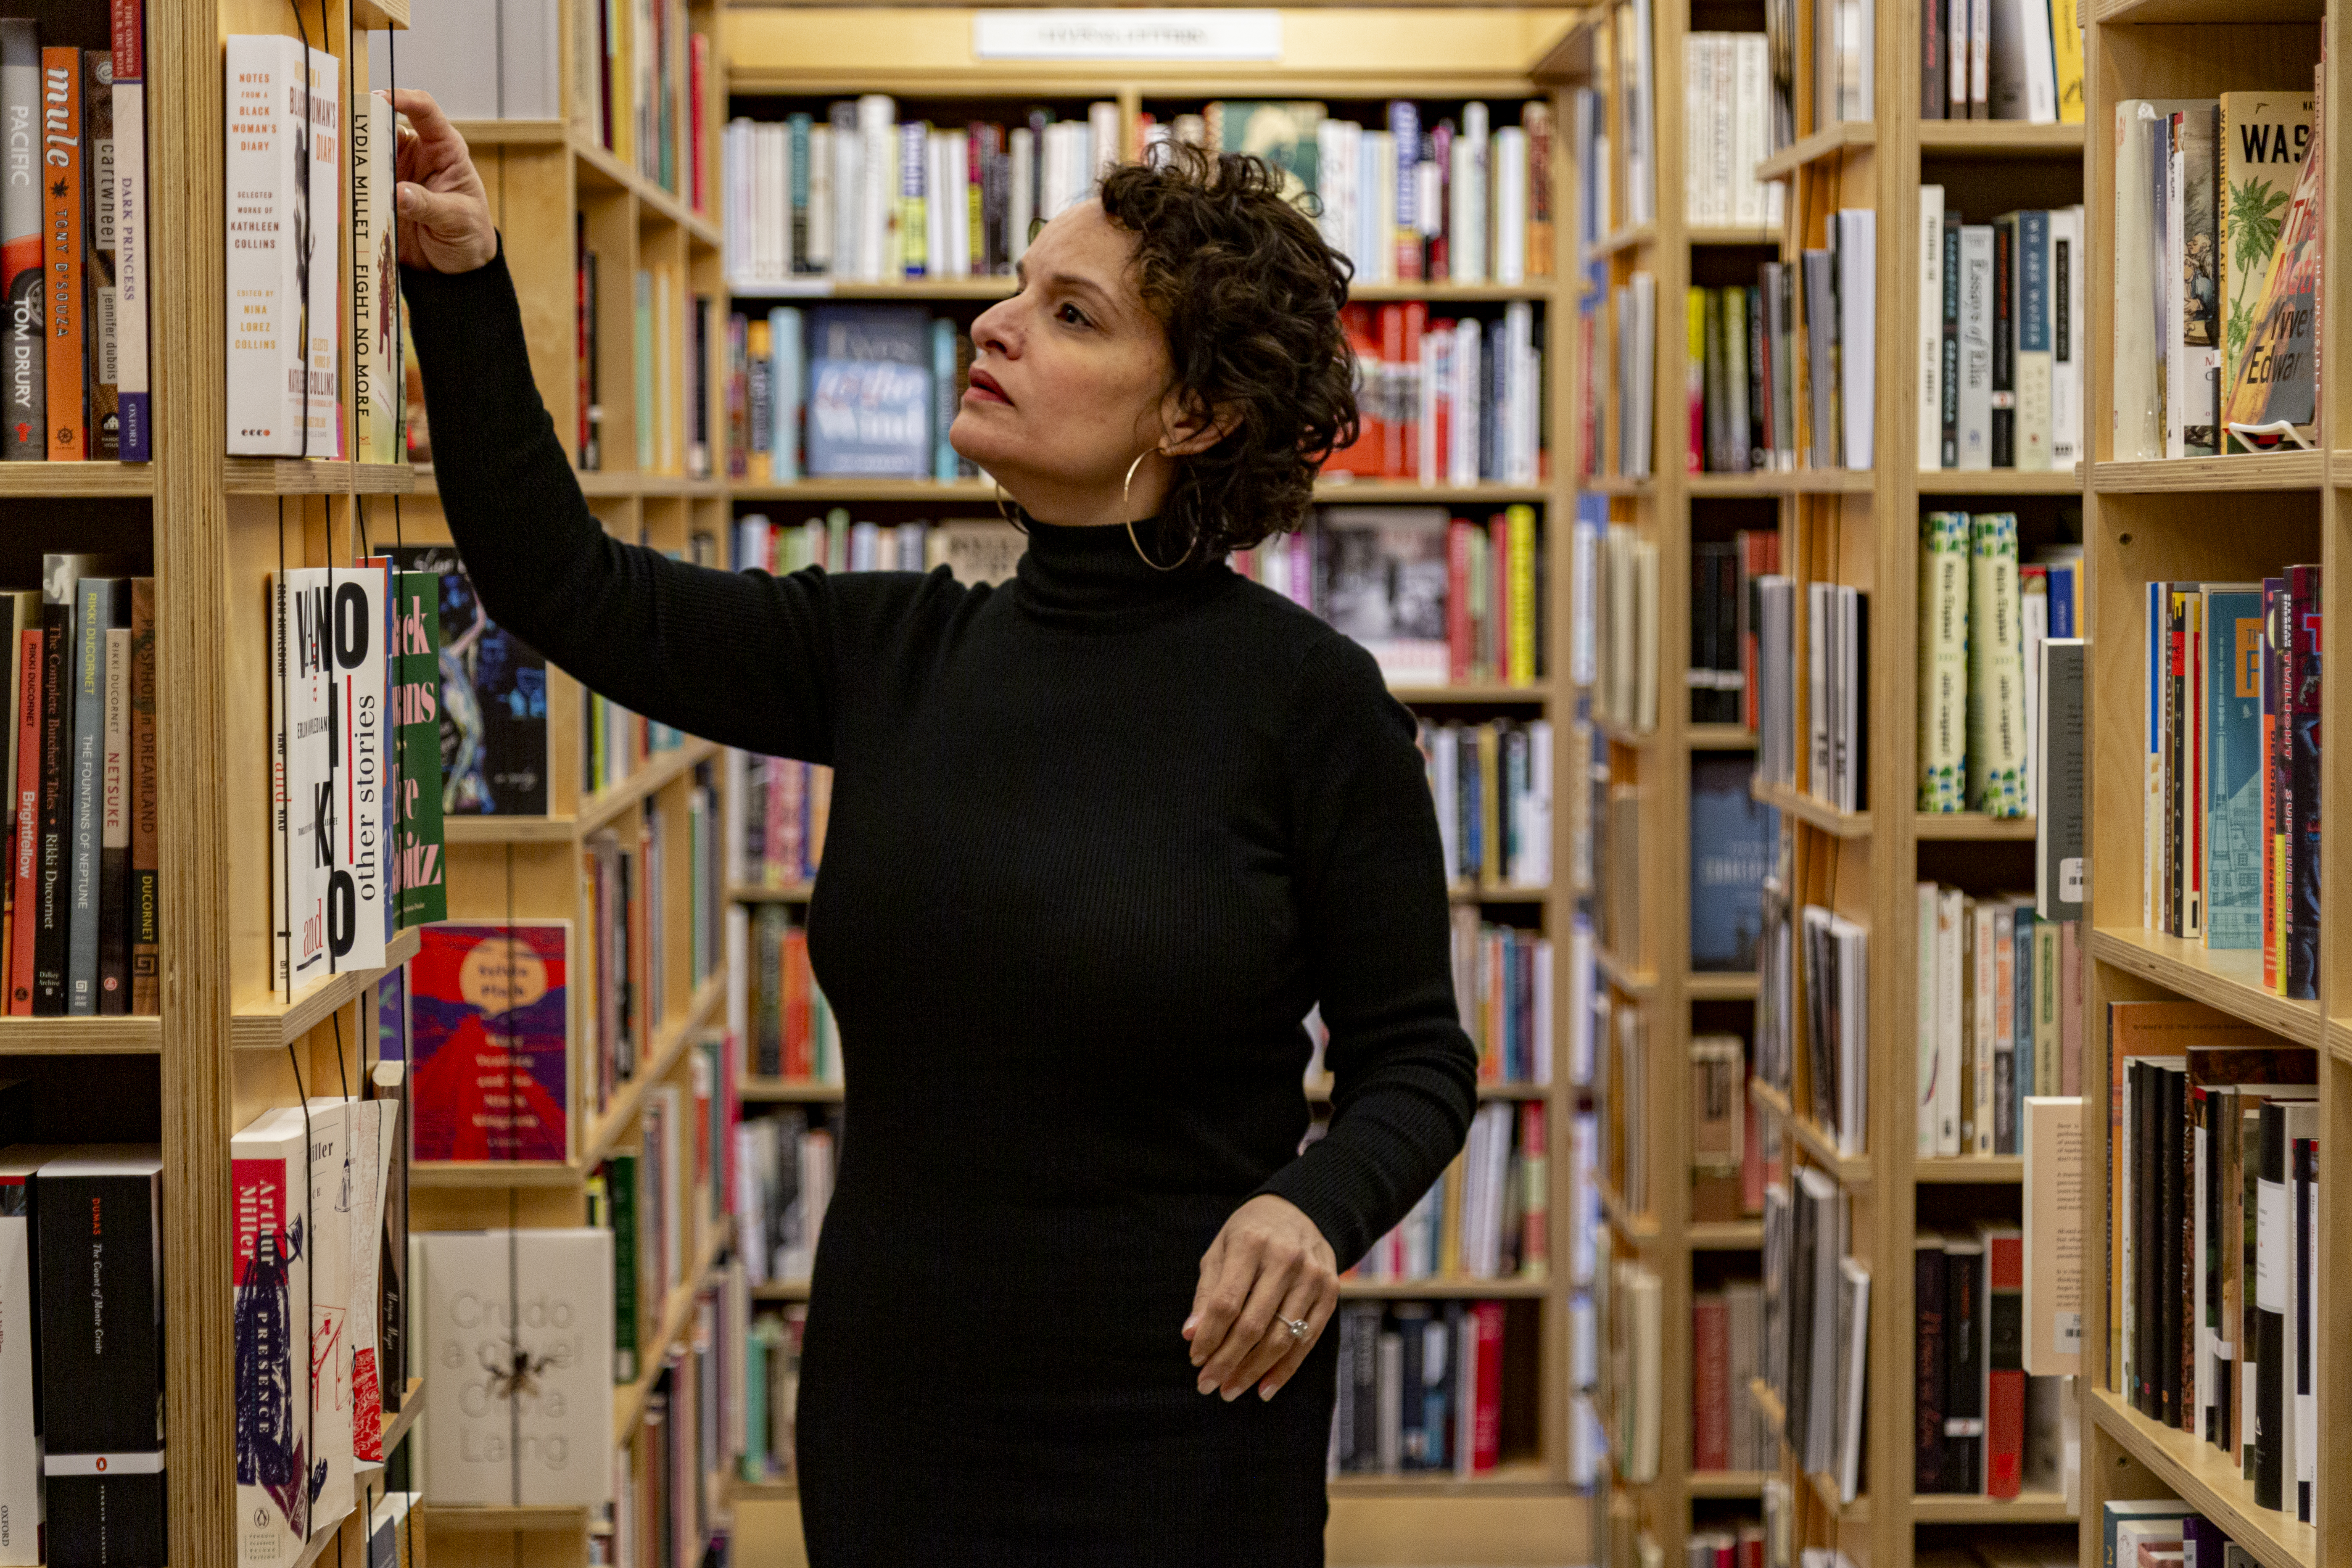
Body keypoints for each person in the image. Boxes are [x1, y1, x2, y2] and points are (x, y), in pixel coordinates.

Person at [392, 88, 1478, 1565]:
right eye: (1015, 284)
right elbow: (562, 585)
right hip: (899, 1411)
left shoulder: (1311, 703)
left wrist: (1312, 1209)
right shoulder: (888, 651)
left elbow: (1416, 1059)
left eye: (1071, 312)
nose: (994, 322)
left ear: (1195, 410)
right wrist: (458, 282)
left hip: (1188, 1409)